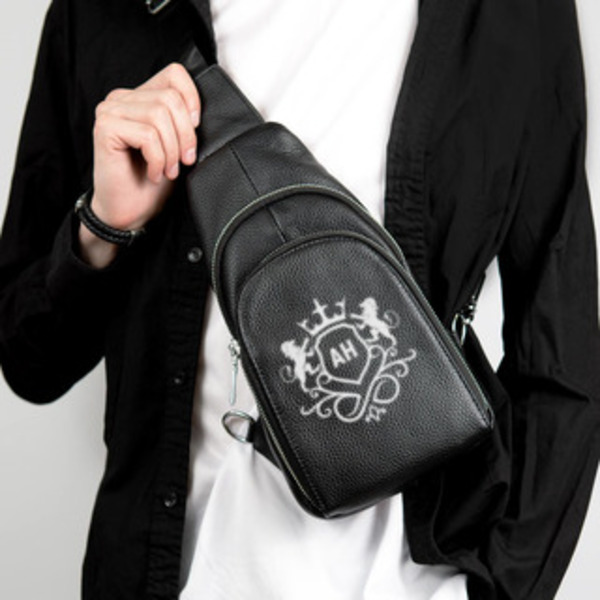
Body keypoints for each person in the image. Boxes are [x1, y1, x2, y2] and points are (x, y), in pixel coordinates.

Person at [1, 0, 599, 599]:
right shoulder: (106, 12)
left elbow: (561, 346)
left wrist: (501, 590)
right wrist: (102, 226)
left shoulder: (508, 13)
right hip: (168, 576)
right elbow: (30, 361)